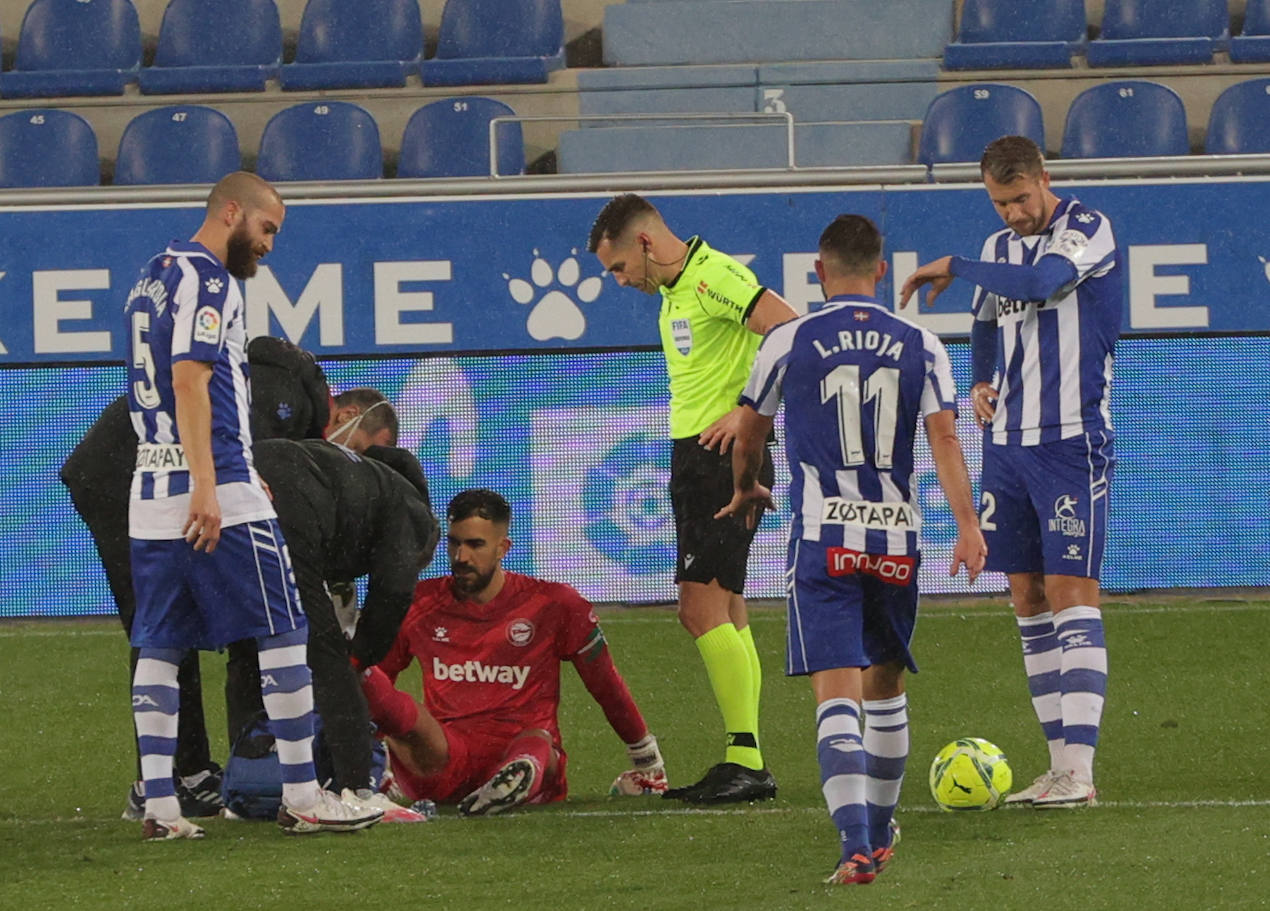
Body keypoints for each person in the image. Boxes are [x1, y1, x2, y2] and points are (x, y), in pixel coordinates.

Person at [718, 214, 987, 884]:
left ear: (819, 272)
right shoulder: (923, 342)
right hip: (896, 537)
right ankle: (883, 828)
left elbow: (749, 431)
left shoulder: (788, 338)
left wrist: (747, 486)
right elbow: (946, 440)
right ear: (882, 270)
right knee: (886, 685)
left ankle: (856, 846)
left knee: (837, 696)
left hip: (824, 537)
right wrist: (968, 525)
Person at [122, 171, 380, 839]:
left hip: (150, 486)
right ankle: (303, 795)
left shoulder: (152, 274)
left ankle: (161, 806)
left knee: (160, 641)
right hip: (212, 487)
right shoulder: (209, 279)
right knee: (285, 629)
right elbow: (190, 380)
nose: (268, 244)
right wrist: (211, 481)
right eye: (266, 228)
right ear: (231, 212)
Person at [898, 135, 1119, 809]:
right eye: (1000, 203)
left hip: (1070, 441)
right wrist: (980, 378)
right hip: (1007, 446)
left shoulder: (1087, 228)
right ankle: (1055, 767)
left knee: (1071, 591)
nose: (1013, 214)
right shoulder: (997, 247)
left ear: (1044, 177)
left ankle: (1079, 772)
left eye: (1021, 199)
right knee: (1026, 595)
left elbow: (1041, 284)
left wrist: (956, 264)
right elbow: (987, 317)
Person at [61, 334, 333, 822]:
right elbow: (251, 470)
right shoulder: (279, 393)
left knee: (167, 629)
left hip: (137, 477)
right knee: (168, 627)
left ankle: (176, 780)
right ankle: (182, 777)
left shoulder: (251, 375)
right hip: (137, 482)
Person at [588, 193, 797, 804]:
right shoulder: (678, 289)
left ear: (645, 243)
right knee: (727, 608)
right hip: (702, 459)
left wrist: (748, 411)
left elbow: (789, 328)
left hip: (719, 461)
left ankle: (747, 759)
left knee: (699, 610)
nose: (619, 281)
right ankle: (746, 757)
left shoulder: (713, 278)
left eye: (619, 267)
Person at [359, 489, 669, 816]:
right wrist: (374, 753)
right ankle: (511, 780)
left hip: (522, 748)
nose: (461, 557)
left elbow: (605, 684)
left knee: (536, 742)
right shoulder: (417, 603)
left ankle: (516, 776)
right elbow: (377, 686)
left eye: (475, 545)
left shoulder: (554, 605)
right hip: (447, 759)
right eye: (454, 543)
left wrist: (646, 757)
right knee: (391, 696)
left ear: (503, 548)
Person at [225, 437, 440, 822]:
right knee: (328, 656)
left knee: (249, 645)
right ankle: (359, 790)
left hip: (235, 481)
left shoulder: (354, 476)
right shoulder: (410, 508)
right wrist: (360, 656)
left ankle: (249, 779)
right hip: (286, 497)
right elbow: (393, 591)